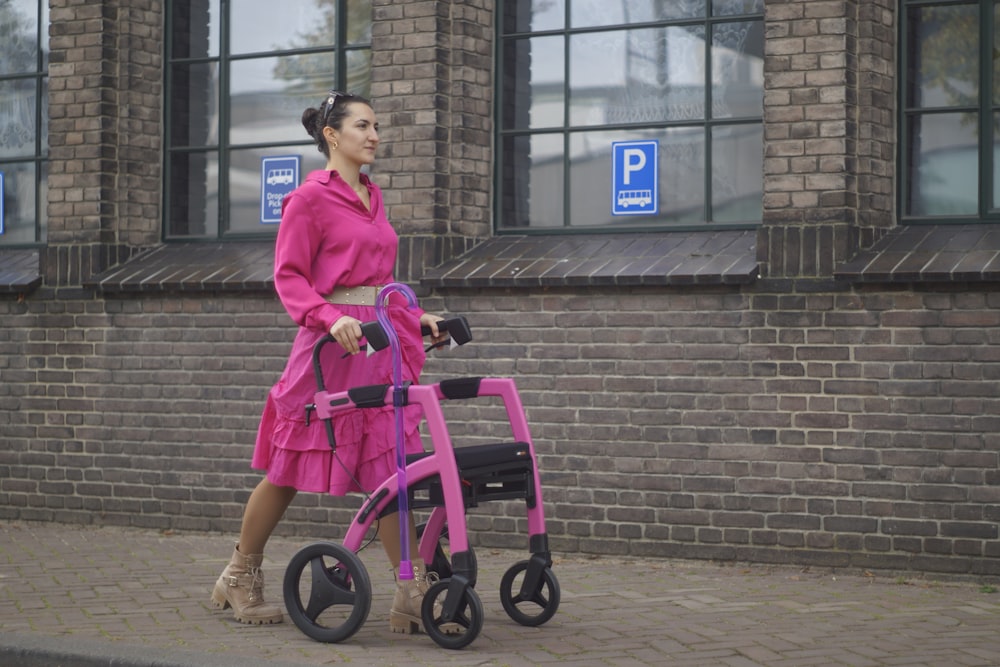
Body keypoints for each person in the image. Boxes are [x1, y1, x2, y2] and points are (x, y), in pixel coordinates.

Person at [211, 90, 451, 634]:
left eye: (376, 127)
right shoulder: (307, 200)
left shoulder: (373, 195)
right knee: (287, 469)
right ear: (332, 134)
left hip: (377, 347)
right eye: (363, 126)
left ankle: (410, 591)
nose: (374, 136)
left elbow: (375, 284)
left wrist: (415, 316)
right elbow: (290, 276)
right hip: (328, 349)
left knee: (394, 470)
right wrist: (325, 316)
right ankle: (239, 573)